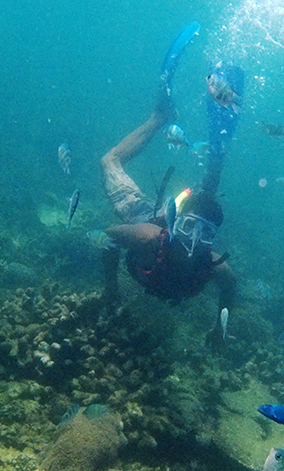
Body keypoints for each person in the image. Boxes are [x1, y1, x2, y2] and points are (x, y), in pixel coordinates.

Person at [99, 23, 240, 340]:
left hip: (175, 214)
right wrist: (111, 289)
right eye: (188, 228)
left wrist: (219, 327)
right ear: (176, 224)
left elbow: (230, 287)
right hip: (142, 213)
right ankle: (159, 119)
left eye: (206, 234)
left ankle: (217, 151)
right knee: (109, 162)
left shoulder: (215, 265)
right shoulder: (148, 237)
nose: (195, 241)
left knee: (205, 201)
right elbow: (109, 237)